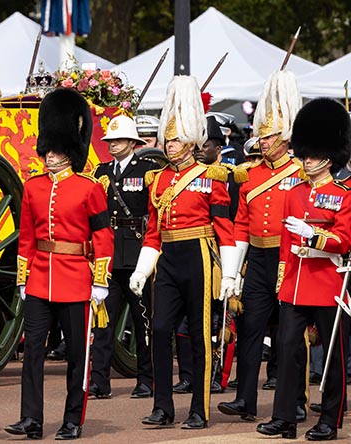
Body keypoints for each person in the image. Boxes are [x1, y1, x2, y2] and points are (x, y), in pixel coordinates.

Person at [5, 88, 114, 440]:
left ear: (70, 150)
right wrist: (23, 278)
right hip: (39, 279)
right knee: (32, 351)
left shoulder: (89, 187)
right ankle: (31, 418)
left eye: (56, 150)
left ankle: (72, 420)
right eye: (47, 150)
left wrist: (100, 280)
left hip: (77, 279)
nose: (49, 156)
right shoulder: (33, 187)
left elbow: (103, 237)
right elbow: (25, 237)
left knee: (78, 357)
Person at [129, 76, 238, 430]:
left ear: (190, 142)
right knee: (159, 330)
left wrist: (231, 273)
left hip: (200, 255)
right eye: (167, 138)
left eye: (175, 139)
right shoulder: (156, 179)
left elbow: (225, 228)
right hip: (169, 259)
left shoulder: (213, 176)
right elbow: (152, 230)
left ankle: (199, 409)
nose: (168, 144)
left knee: (200, 335)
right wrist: (143, 269)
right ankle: (163, 406)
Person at [257, 98, 351, 441]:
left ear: (328, 157)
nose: (306, 160)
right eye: (304, 154)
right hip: (296, 283)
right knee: (286, 348)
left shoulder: (344, 193)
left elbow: (343, 239)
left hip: (328, 281)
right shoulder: (295, 194)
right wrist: (283, 281)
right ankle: (284, 416)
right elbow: (285, 244)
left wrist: (315, 235)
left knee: (333, 356)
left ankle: (330, 418)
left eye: (311, 155)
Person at [218, 70, 305, 422]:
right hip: (256, 259)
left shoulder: (299, 171)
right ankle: (245, 399)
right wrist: (233, 270)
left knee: (290, 334)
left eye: (267, 136)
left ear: (284, 138)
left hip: (288, 258)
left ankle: (295, 398)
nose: (261, 142)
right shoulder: (249, 173)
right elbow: (240, 222)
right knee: (251, 329)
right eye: (260, 136)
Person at [91, 115, 155, 400]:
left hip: (137, 252)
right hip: (109, 253)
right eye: (109, 140)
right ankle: (99, 380)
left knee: (142, 321)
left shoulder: (147, 171)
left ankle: (146, 379)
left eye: (117, 140)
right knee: (103, 320)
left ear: (132, 142)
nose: (112, 144)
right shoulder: (101, 171)